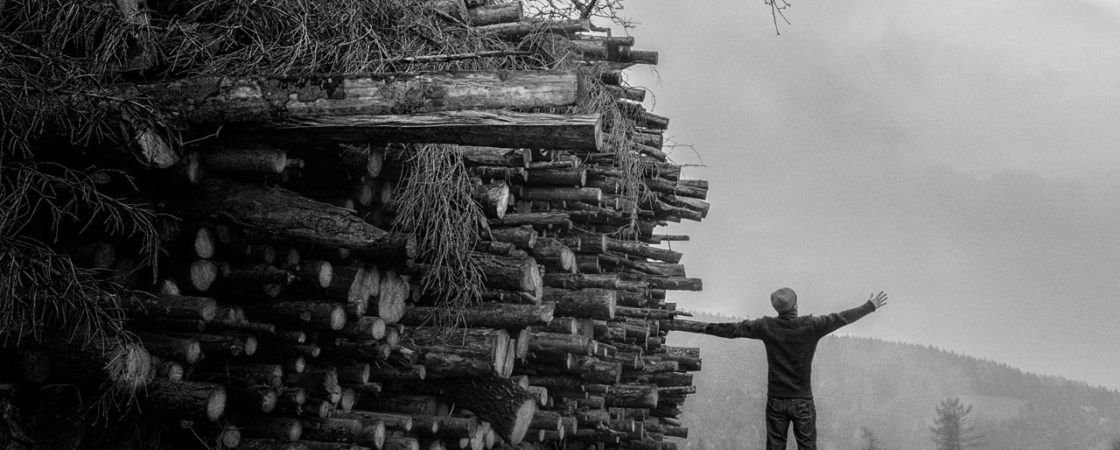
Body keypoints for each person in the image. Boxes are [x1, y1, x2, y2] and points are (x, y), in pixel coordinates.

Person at [668, 288, 888, 450]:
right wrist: (870, 306)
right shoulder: (811, 326)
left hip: (776, 401)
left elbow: (733, 330)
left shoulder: (767, 326)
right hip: (801, 400)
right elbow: (841, 318)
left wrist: (700, 327)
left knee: (775, 447)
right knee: (807, 446)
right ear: (796, 306)